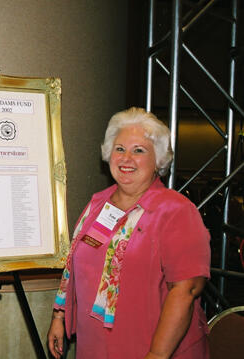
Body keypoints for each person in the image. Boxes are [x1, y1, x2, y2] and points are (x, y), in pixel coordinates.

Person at [47, 107, 210, 359]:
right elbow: (76, 266)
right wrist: (59, 315)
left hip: (151, 345)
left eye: (139, 151)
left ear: (158, 160)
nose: (126, 158)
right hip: (94, 344)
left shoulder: (176, 211)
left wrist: (156, 354)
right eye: (120, 149)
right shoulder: (98, 204)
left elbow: (186, 290)